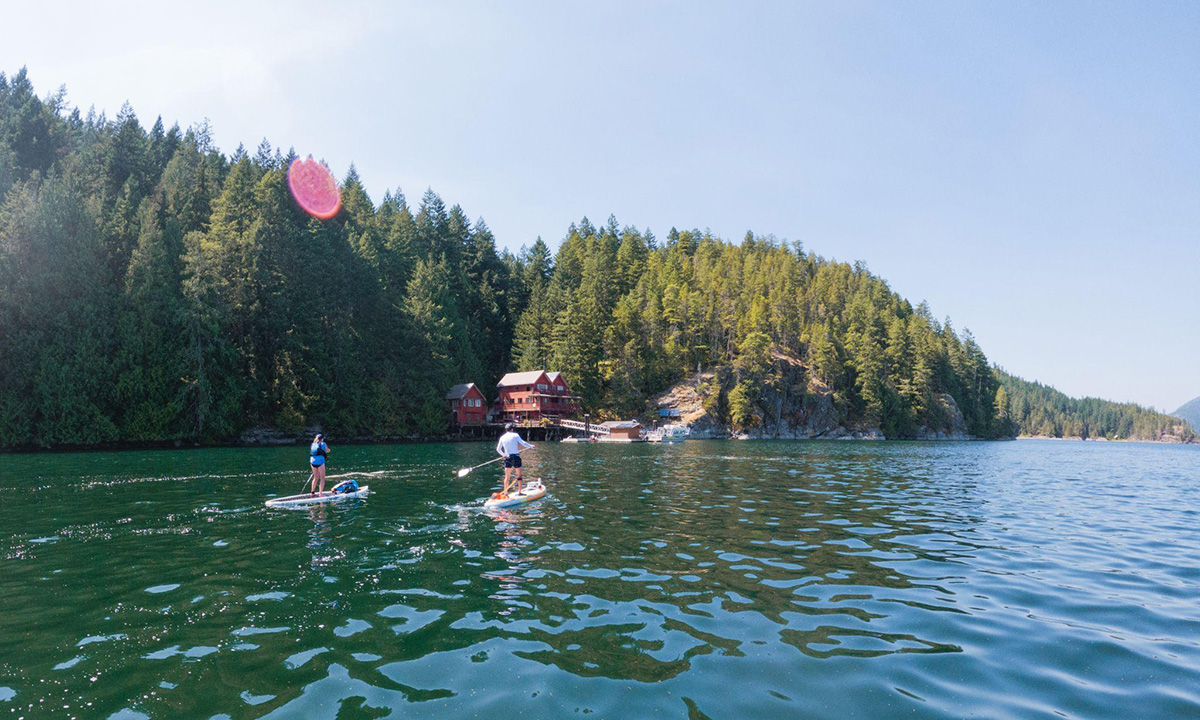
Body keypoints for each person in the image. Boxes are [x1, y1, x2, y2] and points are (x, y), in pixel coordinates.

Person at [495, 423, 534, 498]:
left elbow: (498, 449)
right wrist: (531, 446)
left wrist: (504, 455)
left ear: (506, 430)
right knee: (519, 475)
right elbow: (523, 443)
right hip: (516, 457)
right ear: (512, 429)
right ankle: (519, 492)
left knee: (507, 476)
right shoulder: (515, 435)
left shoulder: (502, 437)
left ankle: (506, 493)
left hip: (508, 458)